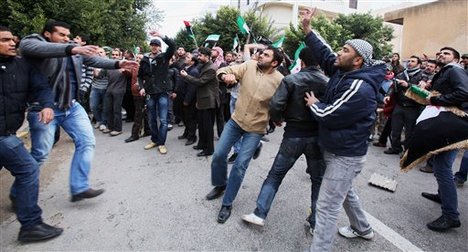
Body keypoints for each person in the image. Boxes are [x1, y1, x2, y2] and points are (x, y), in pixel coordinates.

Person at [16, 20, 138, 202]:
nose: (67, 39)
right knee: (40, 154)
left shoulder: (72, 50)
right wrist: (72, 49)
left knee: (87, 142)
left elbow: (95, 60)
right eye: (62, 35)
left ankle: (79, 187)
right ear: (48, 34)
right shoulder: (35, 42)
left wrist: (119, 62)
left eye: (68, 35)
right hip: (43, 108)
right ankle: (18, 194)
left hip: (71, 107)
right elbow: (30, 47)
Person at [301, 8, 386, 251]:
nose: (339, 52)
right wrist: (308, 29)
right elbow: (326, 53)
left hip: (345, 156)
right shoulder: (344, 70)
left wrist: (315, 104)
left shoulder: (359, 86)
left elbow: (330, 115)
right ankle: (363, 229)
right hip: (338, 149)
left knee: (327, 207)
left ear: (358, 60)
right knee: (345, 191)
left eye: (345, 50)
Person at [241, 46, 327, 233]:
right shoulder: (327, 82)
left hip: (293, 135)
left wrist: (277, 118)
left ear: (302, 62)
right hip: (316, 136)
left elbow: (276, 104)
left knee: (275, 175)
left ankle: (259, 214)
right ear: (319, 62)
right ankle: (315, 222)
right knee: (318, 180)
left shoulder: (291, 79)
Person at [205, 46, 284, 224]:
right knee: (218, 155)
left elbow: (282, 103)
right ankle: (220, 184)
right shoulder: (248, 65)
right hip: (236, 121)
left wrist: (278, 118)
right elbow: (224, 69)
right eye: (261, 53)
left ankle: (227, 203)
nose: (260, 56)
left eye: (266, 55)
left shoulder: (280, 80)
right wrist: (226, 76)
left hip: (255, 129)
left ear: (275, 63)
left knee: (240, 166)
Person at [0, 25, 63, 242]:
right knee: (28, 170)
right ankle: (31, 225)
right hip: (3, 137)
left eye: (12, 39)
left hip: (7, 133)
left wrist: (47, 105)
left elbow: (41, 87)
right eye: (5, 40)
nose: (12, 43)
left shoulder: (22, 64)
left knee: (27, 169)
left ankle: (28, 219)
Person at [415, 47, 468, 231]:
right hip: (448, 122)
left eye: (446, 53)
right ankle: (442, 195)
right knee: (439, 165)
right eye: (439, 53)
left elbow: (463, 93)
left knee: (443, 167)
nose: (441, 55)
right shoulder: (446, 71)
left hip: (452, 123)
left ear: (456, 58)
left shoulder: (455, 70)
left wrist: (436, 100)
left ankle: (451, 215)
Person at [138, 32, 176, 154]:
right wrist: (142, 87)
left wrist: (161, 35)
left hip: (163, 92)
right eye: (152, 45)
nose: (154, 47)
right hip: (150, 93)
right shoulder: (144, 60)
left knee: (164, 120)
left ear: (160, 47)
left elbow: (172, 45)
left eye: (156, 45)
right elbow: (140, 76)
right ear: (150, 46)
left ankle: (161, 143)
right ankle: (154, 140)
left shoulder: (164, 57)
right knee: (151, 119)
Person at [179, 47, 219, 157]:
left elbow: (200, 82)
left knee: (207, 127)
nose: (198, 57)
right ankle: (201, 144)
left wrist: (186, 76)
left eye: (201, 55)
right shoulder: (204, 65)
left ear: (207, 56)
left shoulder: (212, 68)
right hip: (202, 100)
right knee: (201, 125)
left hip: (209, 101)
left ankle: (209, 149)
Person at [384, 55, 424, 155]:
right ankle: (395, 147)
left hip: (413, 107)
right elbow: (393, 86)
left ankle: (407, 151)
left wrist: (408, 85)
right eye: (409, 61)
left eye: (413, 61)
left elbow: (423, 92)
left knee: (409, 131)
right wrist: (388, 95)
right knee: (395, 129)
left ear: (419, 64)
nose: (409, 63)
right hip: (399, 105)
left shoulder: (422, 76)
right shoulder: (401, 74)